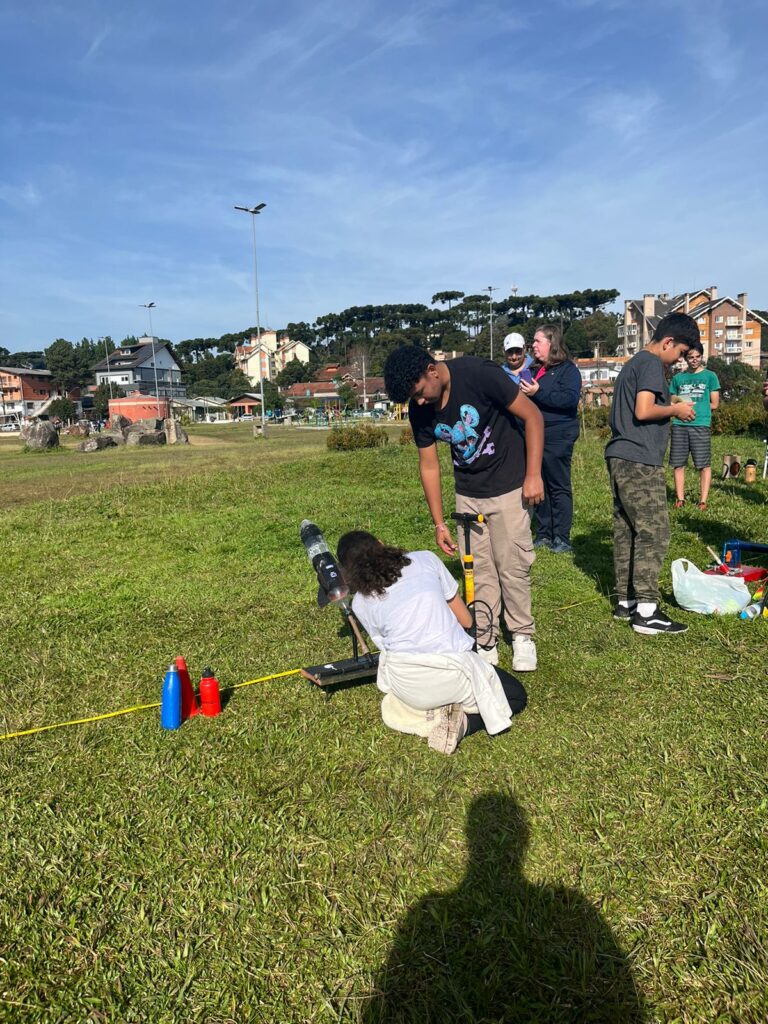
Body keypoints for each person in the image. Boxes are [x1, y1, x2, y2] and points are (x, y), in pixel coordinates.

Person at [383, 346, 544, 672]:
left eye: (419, 393)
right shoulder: (420, 408)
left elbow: (533, 417)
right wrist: (439, 522)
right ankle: (486, 637)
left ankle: (522, 635)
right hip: (468, 495)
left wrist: (533, 475)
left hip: (510, 485)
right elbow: (429, 465)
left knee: (512, 565)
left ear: (432, 371)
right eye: (413, 398)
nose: (420, 402)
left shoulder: (479, 374)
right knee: (479, 571)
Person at [336, 530, 527, 755]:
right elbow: (466, 620)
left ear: (348, 572)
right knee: (515, 694)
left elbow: (385, 646)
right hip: (451, 673)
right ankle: (464, 723)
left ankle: (430, 711)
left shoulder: (359, 603)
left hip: (407, 685)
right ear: (381, 543)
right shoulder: (425, 559)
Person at [605, 312, 697, 635]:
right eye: (681, 353)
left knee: (627, 530)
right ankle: (647, 610)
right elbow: (643, 410)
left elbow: (640, 402)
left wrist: (669, 400)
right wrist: (675, 409)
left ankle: (625, 601)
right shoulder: (651, 364)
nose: (679, 360)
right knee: (654, 531)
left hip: (619, 455)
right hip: (640, 459)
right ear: (668, 342)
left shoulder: (633, 364)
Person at [518, 325, 582, 553]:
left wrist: (538, 393)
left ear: (551, 342)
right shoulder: (534, 369)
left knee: (558, 485)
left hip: (558, 435)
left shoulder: (568, 370)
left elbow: (569, 400)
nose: (533, 345)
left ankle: (561, 537)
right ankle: (544, 532)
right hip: (536, 434)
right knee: (539, 483)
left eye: (538, 341)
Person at [668, 339, 720, 510]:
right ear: (685, 358)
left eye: (697, 356)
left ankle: (703, 501)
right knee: (678, 463)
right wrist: (680, 408)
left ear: (702, 357)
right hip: (679, 424)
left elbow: (715, 404)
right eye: (691, 357)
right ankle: (680, 498)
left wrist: (699, 408)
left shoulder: (710, 376)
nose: (694, 359)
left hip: (700, 424)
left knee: (703, 464)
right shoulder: (678, 378)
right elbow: (672, 401)